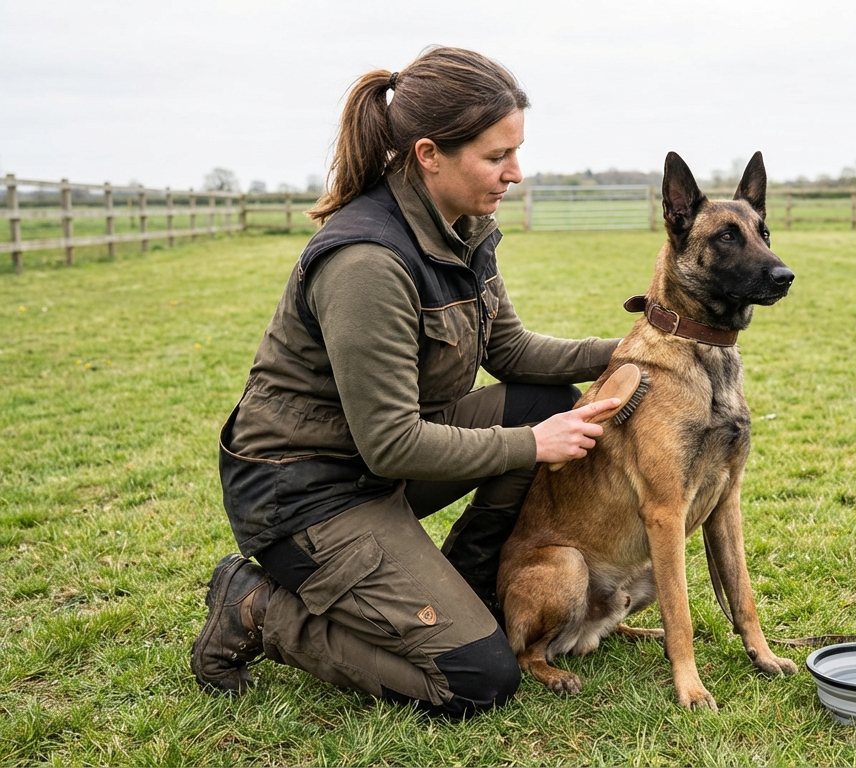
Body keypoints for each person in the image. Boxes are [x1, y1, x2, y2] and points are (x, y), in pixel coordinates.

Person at [190, 47, 625, 718]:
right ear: (428, 154)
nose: (515, 173)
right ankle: (257, 607)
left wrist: (632, 349)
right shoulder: (367, 262)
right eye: (496, 156)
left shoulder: (464, 228)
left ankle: (472, 588)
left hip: (375, 465)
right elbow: (390, 444)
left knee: (545, 402)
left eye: (517, 151)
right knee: (477, 680)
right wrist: (530, 445)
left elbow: (508, 350)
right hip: (307, 495)